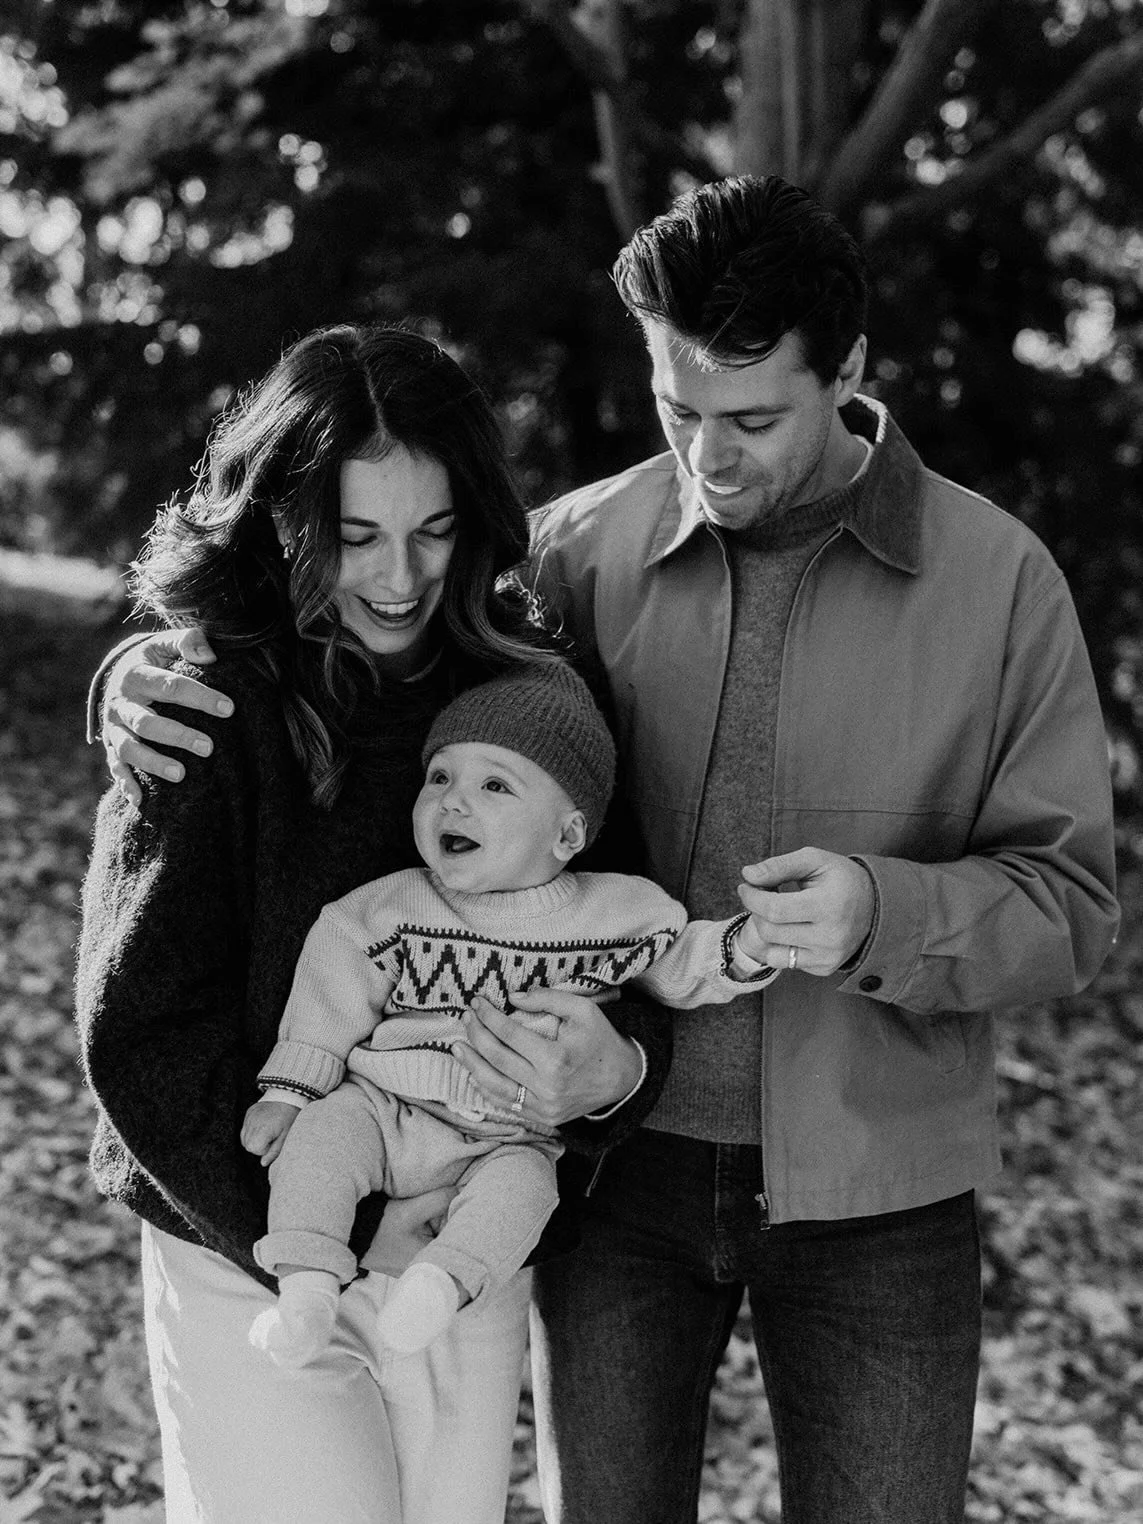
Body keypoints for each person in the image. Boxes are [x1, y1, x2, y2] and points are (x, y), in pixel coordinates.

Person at [93, 177, 1120, 1524]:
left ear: (850, 374)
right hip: (599, 1198)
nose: (710, 456)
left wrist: (884, 910)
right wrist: (137, 678)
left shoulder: (997, 585)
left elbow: (1069, 907)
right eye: (676, 409)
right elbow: (349, 667)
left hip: (876, 1196)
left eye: (752, 418)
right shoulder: (579, 556)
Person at [74, 323, 674, 1524]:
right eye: (354, 538)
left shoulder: (532, 692)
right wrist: (310, 1233)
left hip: (465, 1244)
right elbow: (138, 1027)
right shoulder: (212, 705)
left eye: (434, 531)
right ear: (288, 528)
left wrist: (620, 1078)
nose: (400, 578)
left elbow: (622, 949)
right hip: (247, 1241)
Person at [243, 660, 777, 1367]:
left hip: (508, 1133)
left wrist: (748, 946)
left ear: (566, 835)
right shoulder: (389, 908)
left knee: (524, 1194)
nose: (453, 802)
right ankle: (307, 1289)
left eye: (494, 785)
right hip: (383, 1103)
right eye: (440, 778)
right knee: (317, 1144)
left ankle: (441, 1284)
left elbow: (680, 963)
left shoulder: (615, 912)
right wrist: (288, 1091)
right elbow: (327, 1000)